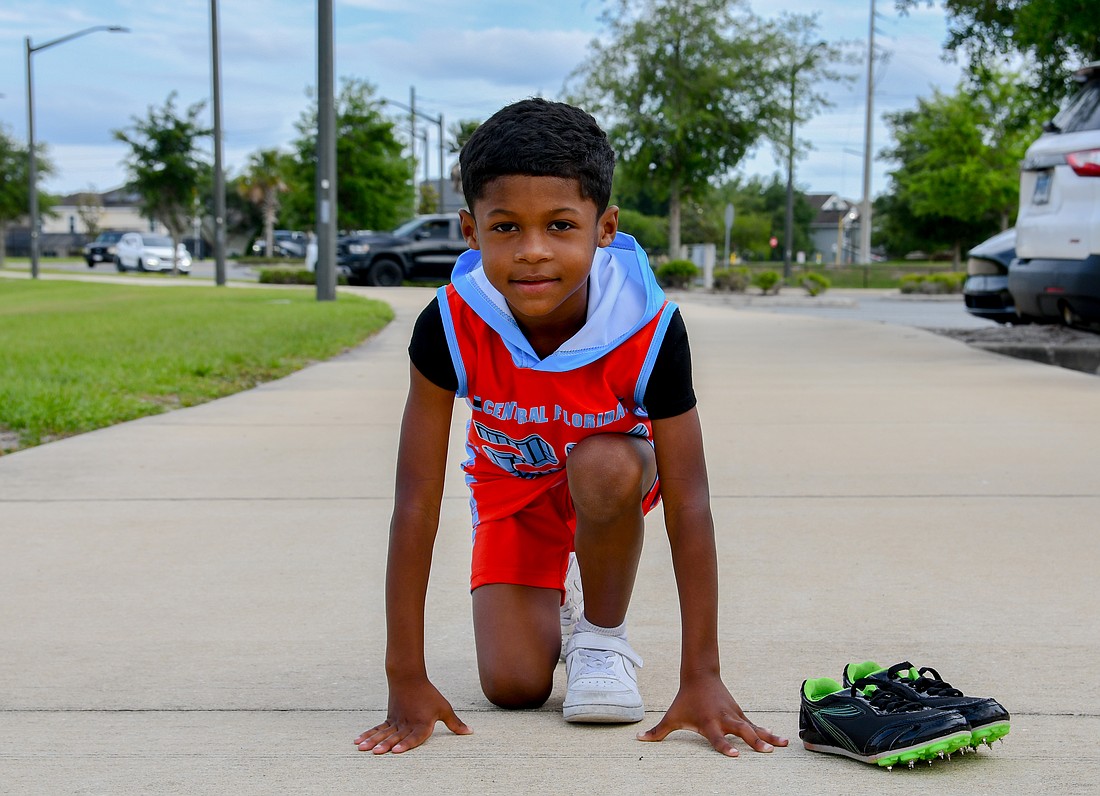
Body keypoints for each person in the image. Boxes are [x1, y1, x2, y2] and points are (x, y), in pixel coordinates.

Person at [355, 98, 787, 758]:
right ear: (470, 229)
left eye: (560, 225)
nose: (532, 252)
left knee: (604, 464)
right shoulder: (447, 326)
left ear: (604, 227)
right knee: (513, 685)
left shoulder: (646, 326)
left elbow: (691, 500)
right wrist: (404, 676)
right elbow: (415, 501)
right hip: (516, 496)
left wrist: (701, 675)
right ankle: (553, 593)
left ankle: (601, 636)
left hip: (611, 484)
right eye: (505, 228)